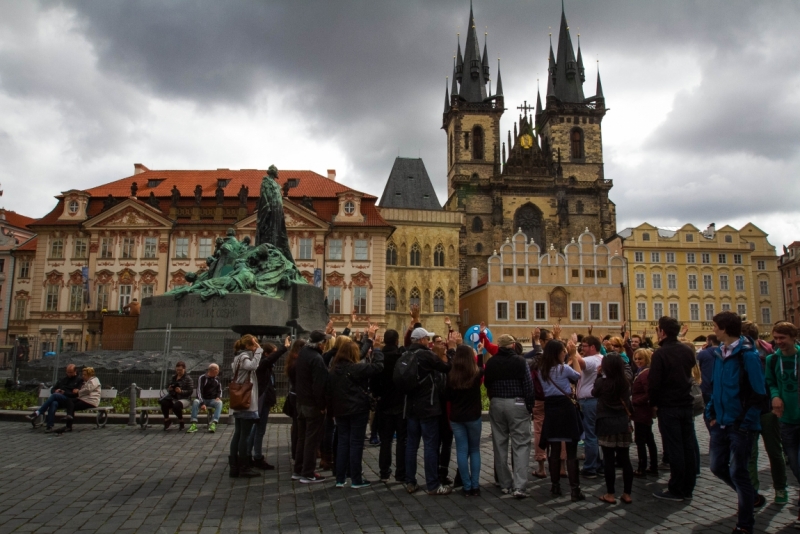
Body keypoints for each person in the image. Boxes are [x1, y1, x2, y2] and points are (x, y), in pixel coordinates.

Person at [707, 311, 767, 534]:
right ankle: (752, 496)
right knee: (716, 466)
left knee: (738, 473)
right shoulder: (719, 353)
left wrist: (744, 423)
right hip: (721, 422)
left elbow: (759, 394)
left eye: (715, 326)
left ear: (724, 329)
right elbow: (717, 386)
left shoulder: (747, 355)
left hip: (740, 425)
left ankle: (744, 525)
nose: (713, 329)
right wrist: (711, 412)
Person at [648, 316, 697, 502]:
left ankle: (677, 488)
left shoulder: (661, 353)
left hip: (668, 405)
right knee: (688, 446)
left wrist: (653, 403)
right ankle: (688, 486)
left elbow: (654, 383)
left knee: (675, 447)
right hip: (686, 403)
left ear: (662, 332)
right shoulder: (687, 350)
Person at [484, 334, 536, 499]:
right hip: (517, 403)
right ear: (513, 346)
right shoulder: (520, 361)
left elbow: (487, 384)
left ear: (499, 346)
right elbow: (528, 384)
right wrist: (529, 406)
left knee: (499, 443)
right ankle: (519, 486)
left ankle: (505, 483)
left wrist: (494, 399)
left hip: (497, 403)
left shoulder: (491, 362)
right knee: (521, 444)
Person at [327, 340, 384, 488]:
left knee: (342, 443)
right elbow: (378, 367)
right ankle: (356, 479)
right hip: (357, 409)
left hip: (340, 410)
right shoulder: (356, 368)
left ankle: (340, 478)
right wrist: (377, 351)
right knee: (356, 444)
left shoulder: (333, 370)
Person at [742, 322, 786, 506]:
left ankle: (779, 488)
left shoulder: (770, 356)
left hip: (765, 409)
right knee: (754, 454)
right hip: (756, 410)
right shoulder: (765, 352)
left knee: (773, 452)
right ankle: (755, 493)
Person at [404, 327, 453, 496]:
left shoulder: (405, 354)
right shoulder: (426, 355)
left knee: (411, 446)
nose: (429, 342)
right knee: (430, 446)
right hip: (428, 406)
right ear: (422, 339)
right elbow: (447, 367)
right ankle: (432, 484)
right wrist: (452, 350)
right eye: (427, 339)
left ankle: (410, 482)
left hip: (411, 407)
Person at [538, 339, 584, 501]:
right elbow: (578, 376)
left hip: (551, 408)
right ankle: (575, 489)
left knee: (554, 450)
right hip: (566, 407)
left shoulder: (542, 370)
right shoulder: (563, 369)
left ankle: (555, 485)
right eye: (563, 351)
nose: (565, 353)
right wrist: (574, 356)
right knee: (571, 451)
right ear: (557, 353)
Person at [766, 322, 800, 515]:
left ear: (793, 337)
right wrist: (775, 395)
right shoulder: (772, 360)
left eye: (782, 338)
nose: (779, 342)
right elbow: (770, 382)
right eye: (776, 338)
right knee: (794, 463)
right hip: (786, 418)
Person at [593, 354, 634, 504]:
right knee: (625, 460)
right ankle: (627, 493)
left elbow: (594, 393)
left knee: (609, 460)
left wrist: (598, 375)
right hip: (622, 422)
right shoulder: (625, 383)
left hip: (606, 422)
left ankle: (610, 493)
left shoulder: (602, 383)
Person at [293, 330, 330, 484]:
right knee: (312, 440)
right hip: (312, 404)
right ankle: (308, 472)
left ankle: (298, 469)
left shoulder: (303, 353)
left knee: (302, 438)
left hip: (300, 402)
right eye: (324, 342)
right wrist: (322, 405)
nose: (325, 345)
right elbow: (319, 385)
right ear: (320, 344)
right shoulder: (317, 358)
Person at [447, 344, 484, 496]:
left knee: (461, 450)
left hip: (456, 417)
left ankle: (466, 486)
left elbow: (448, 397)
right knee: (474, 450)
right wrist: (480, 353)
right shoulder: (476, 373)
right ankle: (475, 485)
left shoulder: (451, 375)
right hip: (473, 416)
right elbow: (482, 368)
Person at [249, 340, 287, 469]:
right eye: (273, 354)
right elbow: (269, 360)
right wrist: (283, 348)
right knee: (260, 430)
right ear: (266, 354)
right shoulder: (262, 363)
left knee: (256, 428)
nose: (274, 357)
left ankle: (247, 454)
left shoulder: (267, 365)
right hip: (261, 400)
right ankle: (257, 456)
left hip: (265, 400)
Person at [376, 329, 408, 483]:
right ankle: (400, 473)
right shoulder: (400, 356)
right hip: (400, 402)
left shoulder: (380, 357)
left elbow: (374, 381)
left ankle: (384, 472)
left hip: (384, 403)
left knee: (386, 440)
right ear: (396, 341)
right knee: (402, 439)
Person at [570, 335, 604, 479]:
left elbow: (580, 363)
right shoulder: (601, 358)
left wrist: (572, 349)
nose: (581, 349)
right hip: (594, 401)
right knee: (595, 435)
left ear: (592, 347)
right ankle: (598, 464)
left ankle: (590, 468)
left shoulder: (593, 359)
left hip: (589, 401)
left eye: (584, 346)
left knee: (591, 435)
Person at [229, 335, 262, 478]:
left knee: (238, 433)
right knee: (245, 435)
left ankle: (234, 467)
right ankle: (244, 467)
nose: (256, 346)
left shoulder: (237, 357)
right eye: (254, 344)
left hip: (238, 401)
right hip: (246, 401)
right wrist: (259, 351)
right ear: (248, 346)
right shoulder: (244, 357)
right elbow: (252, 366)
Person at [27, 364, 83, 432]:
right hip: (60, 399)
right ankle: (49, 426)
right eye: (68, 372)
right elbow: (52, 389)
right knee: (53, 403)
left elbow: (76, 394)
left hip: (69, 400)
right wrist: (56, 391)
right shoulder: (63, 379)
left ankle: (38, 412)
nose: (69, 374)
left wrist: (64, 392)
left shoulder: (79, 380)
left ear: (75, 371)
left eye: (71, 372)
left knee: (55, 395)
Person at [630, 349, 658, 477]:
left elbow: (649, 393)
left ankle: (642, 467)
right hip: (641, 410)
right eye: (636, 359)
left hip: (642, 411)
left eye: (640, 359)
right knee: (648, 439)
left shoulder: (645, 373)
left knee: (641, 440)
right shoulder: (641, 372)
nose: (637, 361)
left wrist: (635, 402)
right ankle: (652, 466)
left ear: (646, 359)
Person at [284, 339, 306, 461]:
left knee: (296, 426)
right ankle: (297, 453)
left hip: (293, 394)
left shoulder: (292, 360)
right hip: (298, 396)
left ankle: (295, 452)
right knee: (299, 428)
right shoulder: (298, 363)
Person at [59, 367, 101, 432]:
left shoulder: (94, 380)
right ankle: (69, 417)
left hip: (90, 401)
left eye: (85, 375)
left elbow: (88, 390)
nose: (83, 376)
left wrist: (78, 391)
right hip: (84, 399)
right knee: (69, 400)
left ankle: (68, 425)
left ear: (90, 375)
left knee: (71, 406)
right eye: (83, 374)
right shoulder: (87, 381)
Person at [188, 363, 223, 434]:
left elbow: (220, 390)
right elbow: (199, 391)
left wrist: (218, 397)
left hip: (212, 400)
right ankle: (193, 424)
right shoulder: (202, 378)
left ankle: (214, 423)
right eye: (217, 370)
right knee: (195, 401)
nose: (218, 371)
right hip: (203, 399)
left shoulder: (217, 379)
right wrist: (202, 403)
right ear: (213, 370)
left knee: (219, 403)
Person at [160, 361, 194, 431]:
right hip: (173, 397)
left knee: (176, 405)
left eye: (180, 370)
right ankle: (167, 420)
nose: (178, 372)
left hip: (184, 398)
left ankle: (181, 421)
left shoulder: (188, 379)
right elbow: (168, 386)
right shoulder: (173, 377)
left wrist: (181, 391)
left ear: (184, 369)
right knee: (164, 402)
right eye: (177, 370)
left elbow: (190, 391)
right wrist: (169, 388)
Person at [696, 335, 720, 406]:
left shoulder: (703, 353)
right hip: (720, 387)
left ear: (711, 341)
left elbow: (697, 368)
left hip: (705, 386)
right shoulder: (725, 352)